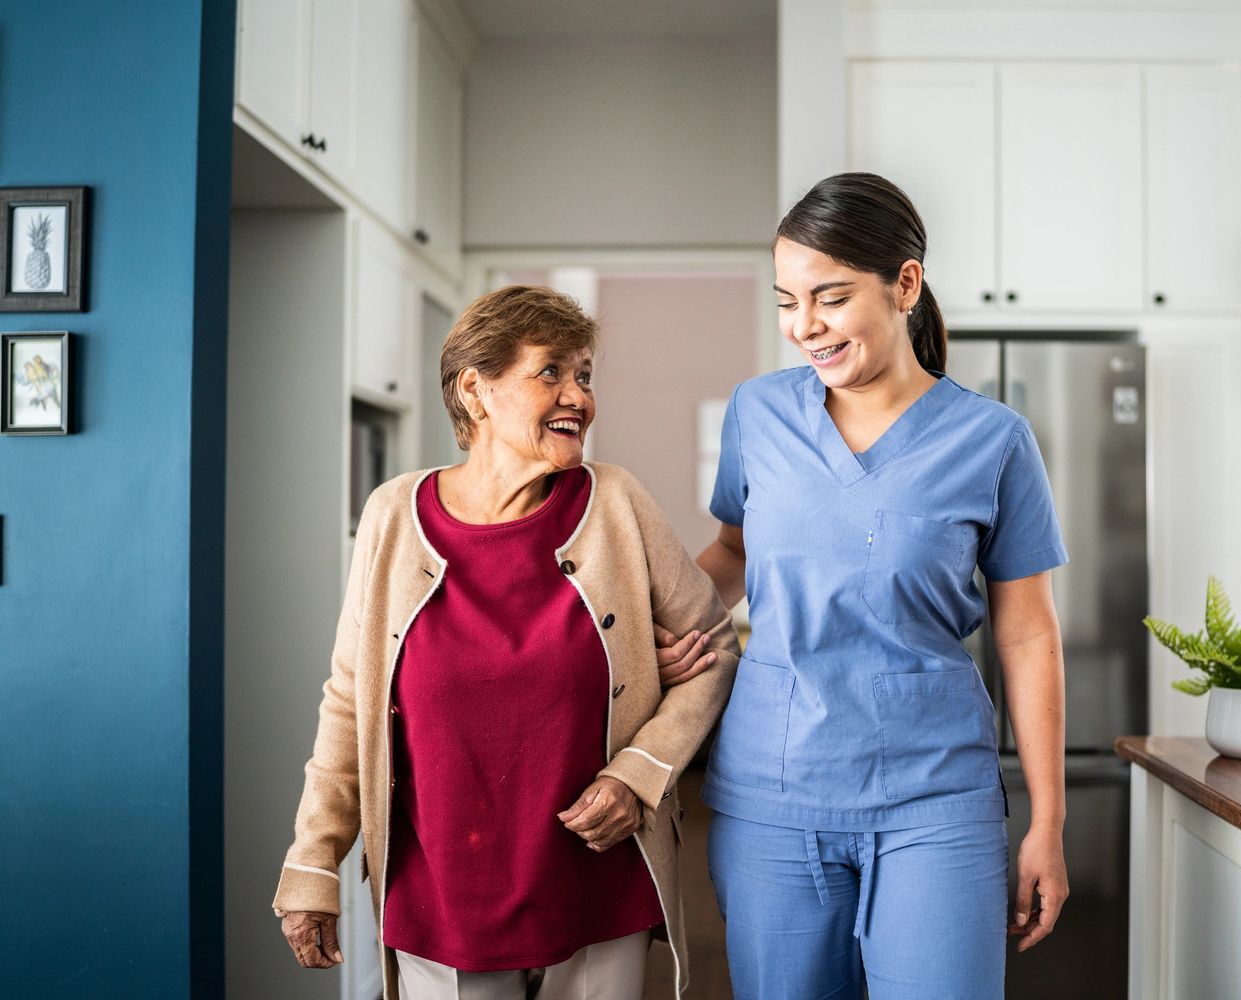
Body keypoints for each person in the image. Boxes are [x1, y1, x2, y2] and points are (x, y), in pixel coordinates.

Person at [660, 172, 1071, 999]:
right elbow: (733, 554)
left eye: (830, 297)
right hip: (772, 795)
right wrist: (655, 631)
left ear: (905, 284)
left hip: (935, 799)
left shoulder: (992, 441)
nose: (803, 326)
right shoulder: (759, 413)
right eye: (786, 301)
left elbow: (1026, 634)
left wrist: (1049, 824)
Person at [273, 285, 739, 1000]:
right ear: (475, 389)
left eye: (584, 375)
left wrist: (639, 773)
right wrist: (313, 862)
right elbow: (349, 701)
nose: (577, 395)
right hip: (441, 895)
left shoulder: (614, 503)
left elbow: (710, 648)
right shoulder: (393, 515)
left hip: (594, 883)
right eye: (550, 371)